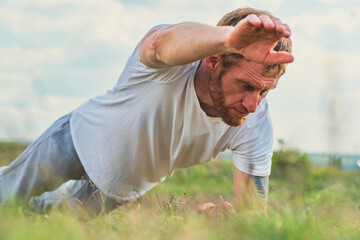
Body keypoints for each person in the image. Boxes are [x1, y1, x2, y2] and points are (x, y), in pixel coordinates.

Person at [0, 7, 293, 216]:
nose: (252, 104)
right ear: (213, 59)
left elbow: (253, 213)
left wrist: (223, 222)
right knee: (6, 195)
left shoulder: (256, 124)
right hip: (75, 142)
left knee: (47, 219)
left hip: (118, 189)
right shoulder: (173, 65)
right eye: (245, 85)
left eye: (264, 91)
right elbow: (160, 43)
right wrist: (227, 39)